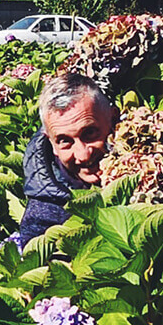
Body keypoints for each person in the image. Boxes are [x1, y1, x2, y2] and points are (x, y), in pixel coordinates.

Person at [17, 73, 115, 247]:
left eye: (90, 133)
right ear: (51, 143)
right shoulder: (43, 217)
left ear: (113, 119)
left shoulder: (152, 157)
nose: (83, 154)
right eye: (65, 141)